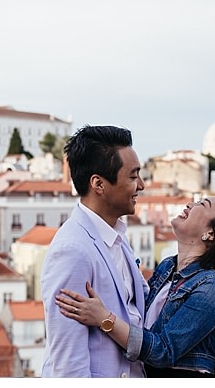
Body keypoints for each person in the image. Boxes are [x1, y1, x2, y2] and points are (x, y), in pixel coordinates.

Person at [55, 194, 215, 377]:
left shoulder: (213, 287)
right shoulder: (167, 268)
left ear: (212, 233)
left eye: (202, 204)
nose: (190, 204)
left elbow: (163, 350)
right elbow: (137, 315)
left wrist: (104, 319)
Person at [40, 125, 147, 377]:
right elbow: (68, 364)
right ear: (98, 184)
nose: (141, 185)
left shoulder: (117, 236)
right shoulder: (72, 250)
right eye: (132, 177)